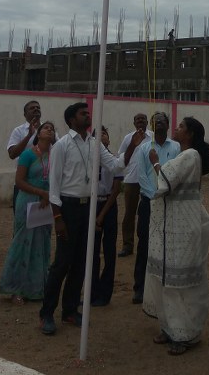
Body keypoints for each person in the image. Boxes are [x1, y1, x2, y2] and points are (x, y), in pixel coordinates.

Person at [39, 102, 144, 335]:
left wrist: (132, 147)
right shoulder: (62, 145)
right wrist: (57, 217)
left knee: (81, 262)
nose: (88, 116)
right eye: (83, 113)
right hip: (68, 207)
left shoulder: (94, 144)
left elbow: (116, 165)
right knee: (62, 263)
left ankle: (69, 310)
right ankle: (46, 313)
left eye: (88, 113)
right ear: (71, 119)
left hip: (89, 207)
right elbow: (54, 185)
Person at [146, 116, 209, 356]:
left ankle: (186, 333)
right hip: (173, 226)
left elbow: (167, 180)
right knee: (167, 278)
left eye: (181, 126)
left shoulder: (191, 155)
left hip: (183, 227)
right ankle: (170, 327)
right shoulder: (186, 155)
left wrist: (155, 162)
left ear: (190, 134)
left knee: (182, 282)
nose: (177, 128)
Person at [0, 121, 56, 305]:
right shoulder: (27, 154)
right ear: (38, 134)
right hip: (28, 201)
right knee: (22, 242)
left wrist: (49, 195)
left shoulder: (55, 155)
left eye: (52, 129)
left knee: (41, 243)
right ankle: (15, 288)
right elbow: (19, 181)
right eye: (46, 128)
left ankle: (37, 288)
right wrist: (40, 193)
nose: (49, 130)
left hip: (46, 203)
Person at [132, 111, 180, 305]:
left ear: (168, 125)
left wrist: (166, 194)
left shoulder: (176, 147)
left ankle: (166, 286)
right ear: (151, 126)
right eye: (156, 120)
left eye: (162, 120)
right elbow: (142, 175)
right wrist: (155, 195)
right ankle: (139, 288)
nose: (159, 122)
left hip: (171, 203)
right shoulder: (144, 148)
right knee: (145, 245)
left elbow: (177, 173)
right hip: (149, 202)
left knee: (169, 245)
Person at [90, 127, 122, 306]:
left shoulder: (115, 161)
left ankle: (105, 293)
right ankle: (92, 292)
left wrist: (101, 215)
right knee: (92, 251)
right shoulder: (89, 160)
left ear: (109, 139)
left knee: (109, 251)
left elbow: (116, 190)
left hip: (108, 206)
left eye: (104, 133)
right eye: (97, 134)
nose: (100, 136)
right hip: (92, 205)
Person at [117, 113, 152, 257]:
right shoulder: (128, 138)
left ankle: (148, 245)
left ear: (147, 122)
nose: (140, 121)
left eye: (143, 119)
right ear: (134, 123)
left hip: (149, 181)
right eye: (138, 119)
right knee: (129, 214)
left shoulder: (153, 137)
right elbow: (121, 156)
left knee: (148, 213)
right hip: (131, 180)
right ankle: (127, 245)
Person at [7, 100, 43, 211]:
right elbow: (12, 154)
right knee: (22, 218)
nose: (36, 109)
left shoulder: (48, 129)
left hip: (44, 184)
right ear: (25, 114)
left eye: (38, 107)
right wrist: (29, 136)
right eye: (32, 108)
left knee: (42, 219)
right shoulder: (18, 131)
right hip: (23, 184)